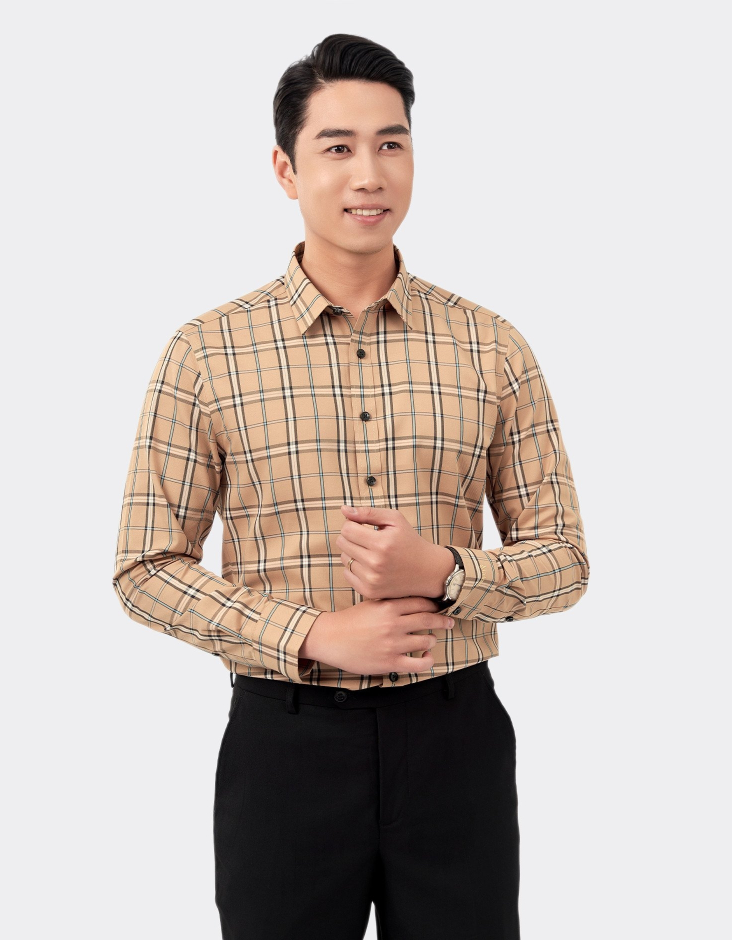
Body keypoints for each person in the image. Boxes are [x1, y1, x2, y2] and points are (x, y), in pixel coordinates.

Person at [112, 32, 590, 940]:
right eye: (338, 147)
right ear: (287, 170)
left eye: (390, 144)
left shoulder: (492, 346)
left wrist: (445, 571)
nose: (369, 174)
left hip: (454, 741)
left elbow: (564, 559)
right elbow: (145, 568)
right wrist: (311, 634)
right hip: (284, 747)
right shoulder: (206, 353)